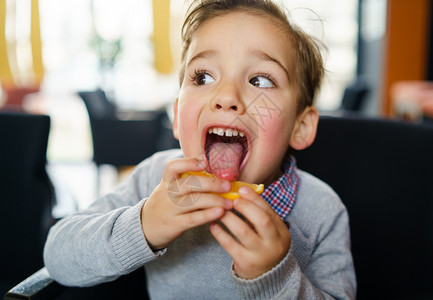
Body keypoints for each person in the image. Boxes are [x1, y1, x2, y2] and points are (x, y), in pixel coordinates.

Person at [44, 0, 356, 298]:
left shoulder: (323, 212)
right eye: (203, 76)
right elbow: (58, 255)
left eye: (260, 80)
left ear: (300, 126)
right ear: (179, 117)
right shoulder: (154, 180)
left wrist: (275, 275)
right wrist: (144, 225)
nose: (226, 96)